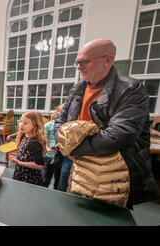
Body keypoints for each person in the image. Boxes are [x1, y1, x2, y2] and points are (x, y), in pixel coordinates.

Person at [54, 38, 159, 205]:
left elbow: (121, 133)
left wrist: (74, 149)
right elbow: (60, 119)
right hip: (72, 161)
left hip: (108, 171)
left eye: (85, 62)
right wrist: (62, 141)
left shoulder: (130, 89)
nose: (79, 67)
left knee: (101, 217)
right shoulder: (78, 87)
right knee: (65, 205)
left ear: (108, 60)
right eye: (77, 62)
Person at [8, 111, 47, 187]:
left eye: (25, 123)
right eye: (20, 121)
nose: (21, 125)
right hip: (21, 173)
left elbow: (40, 165)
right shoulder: (24, 136)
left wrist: (18, 162)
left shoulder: (33, 143)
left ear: (35, 126)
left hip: (29, 178)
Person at [43, 104, 64, 187]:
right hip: (49, 156)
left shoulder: (67, 126)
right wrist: (47, 149)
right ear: (57, 113)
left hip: (62, 157)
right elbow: (43, 141)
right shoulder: (48, 125)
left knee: (58, 181)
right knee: (45, 179)